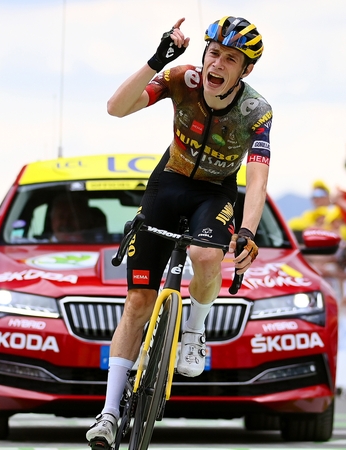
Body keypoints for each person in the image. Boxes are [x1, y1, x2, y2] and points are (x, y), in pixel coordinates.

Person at [87, 16, 270, 448]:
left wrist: (245, 231)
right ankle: (109, 413)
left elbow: (258, 179)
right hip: (169, 182)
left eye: (231, 58)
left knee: (208, 256)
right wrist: (155, 62)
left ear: (245, 71)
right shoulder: (180, 79)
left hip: (216, 191)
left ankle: (193, 331)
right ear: (203, 56)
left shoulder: (257, 112)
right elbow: (116, 107)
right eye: (213, 53)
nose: (217, 64)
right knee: (137, 302)